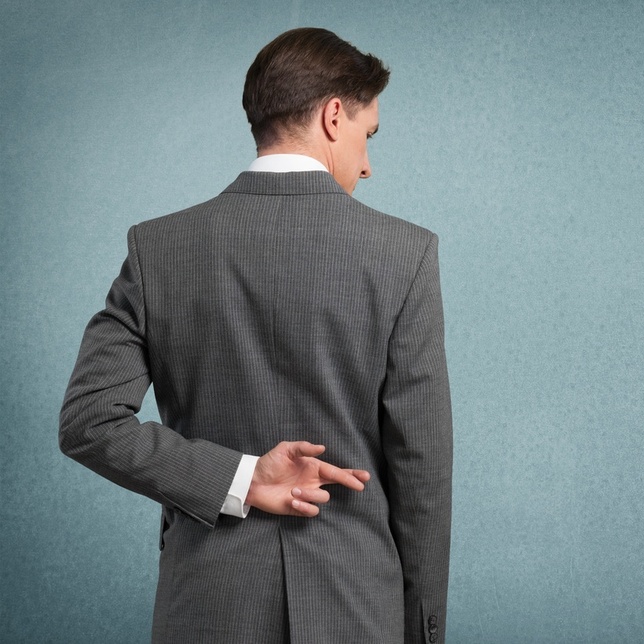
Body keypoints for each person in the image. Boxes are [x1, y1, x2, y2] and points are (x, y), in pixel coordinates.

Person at [59, 27, 452, 644]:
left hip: (207, 608)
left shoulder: (159, 249)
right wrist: (426, 631)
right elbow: (420, 470)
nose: (368, 164)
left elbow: (89, 422)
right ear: (331, 116)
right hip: (356, 609)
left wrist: (237, 478)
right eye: (366, 136)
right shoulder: (405, 254)